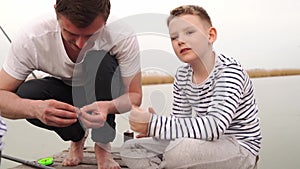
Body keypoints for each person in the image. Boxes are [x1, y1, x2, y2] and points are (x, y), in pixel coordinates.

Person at [0, 0, 142, 168]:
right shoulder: (32, 37)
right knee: (26, 94)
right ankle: (77, 138)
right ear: (56, 14)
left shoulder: (121, 34)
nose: (81, 44)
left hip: (105, 88)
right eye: (70, 33)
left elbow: (135, 96)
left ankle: (103, 146)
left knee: (98, 61)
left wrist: (108, 107)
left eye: (91, 35)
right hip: (66, 93)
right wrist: (35, 109)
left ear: (106, 19)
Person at [121, 5, 261, 169]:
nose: (180, 40)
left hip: (238, 148)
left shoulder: (229, 72)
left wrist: (154, 124)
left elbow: (214, 126)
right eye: (174, 37)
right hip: (202, 142)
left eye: (189, 32)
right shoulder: (182, 76)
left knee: (179, 152)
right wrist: (157, 131)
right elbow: (181, 121)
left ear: (210, 35)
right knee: (130, 148)